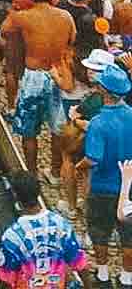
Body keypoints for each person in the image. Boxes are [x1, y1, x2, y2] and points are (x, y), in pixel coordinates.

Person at [3, 0, 76, 177]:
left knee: (28, 131)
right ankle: (54, 172)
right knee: (57, 129)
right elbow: (73, 38)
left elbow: (4, 29)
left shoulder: (23, 16)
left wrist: (19, 3)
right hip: (58, 73)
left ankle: (32, 174)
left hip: (35, 77)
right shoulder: (66, 17)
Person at [83, 65, 132, 286]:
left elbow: (93, 159)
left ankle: (102, 274)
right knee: (129, 236)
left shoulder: (98, 123)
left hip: (103, 186)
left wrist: (77, 168)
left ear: (103, 90)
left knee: (99, 231)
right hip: (128, 187)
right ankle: (126, 277)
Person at [0, 171, 87, 288]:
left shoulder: (12, 236)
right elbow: (80, 263)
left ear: (15, 195)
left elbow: (6, 278)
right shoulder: (61, 224)